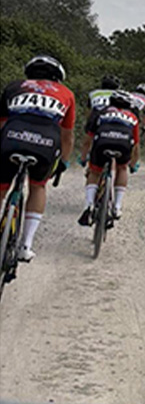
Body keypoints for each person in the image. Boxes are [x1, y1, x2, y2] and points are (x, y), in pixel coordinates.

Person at [0, 55, 76, 262]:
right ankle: (26, 245)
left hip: (12, 138)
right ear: (58, 77)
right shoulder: (66, 94)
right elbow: (67, 136)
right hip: (46, 143)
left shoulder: (14, 86)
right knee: (38, 186)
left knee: (1, 186)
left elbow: (1, 122)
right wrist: (64, 162)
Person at [78, 91, 140, 226]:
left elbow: (88, 140)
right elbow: (135, 146)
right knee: (122, 168)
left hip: (103, 142)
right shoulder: (133, 117)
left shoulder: (101, 113)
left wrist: (83, 157)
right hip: (123, 144)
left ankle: (88, 206)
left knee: (95, 172)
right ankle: (117, 206)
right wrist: (133, 163)